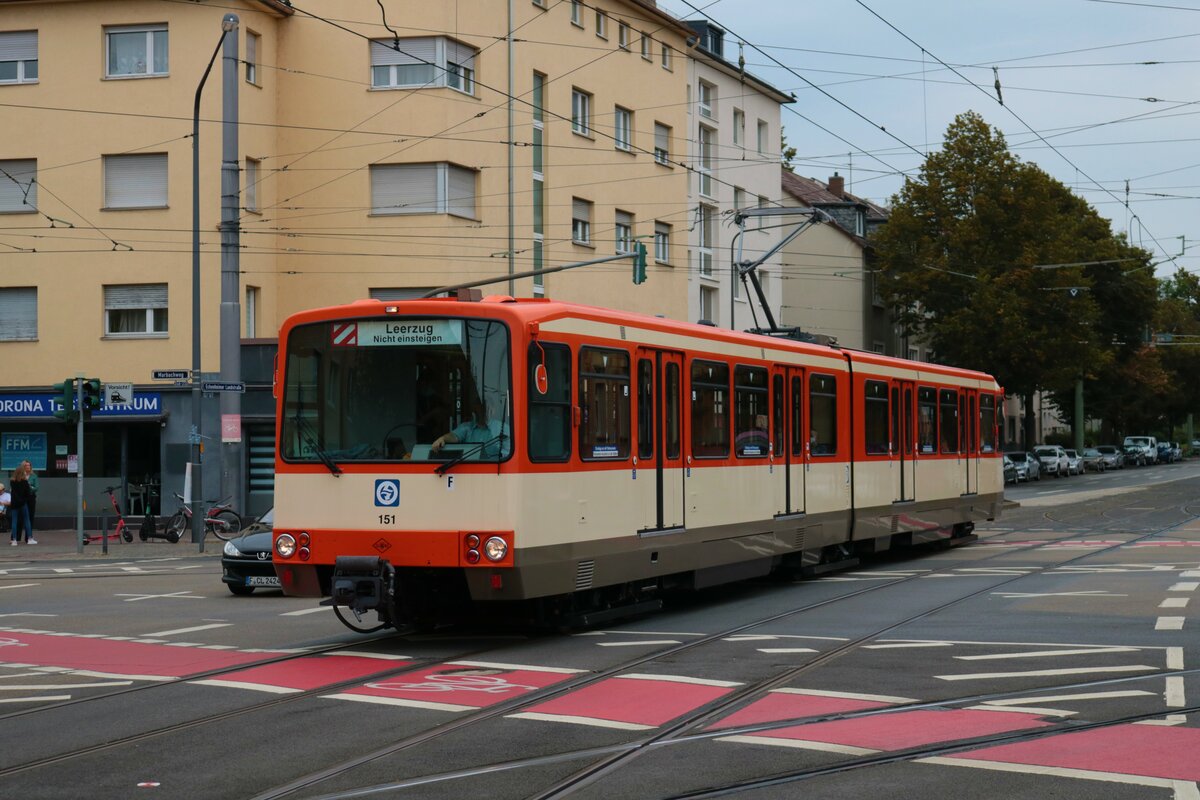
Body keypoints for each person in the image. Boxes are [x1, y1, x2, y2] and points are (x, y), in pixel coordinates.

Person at [430, 395, 509, 459]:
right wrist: (443, 438)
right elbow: (454, 436)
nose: (484, 410)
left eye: (486, 407)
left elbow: (508, 455)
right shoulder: (467, 427)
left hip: (494, 473)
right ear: (474, 409)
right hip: (469, 470)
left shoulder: (503, 428)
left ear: (493, 410)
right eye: (480, 406)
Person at [9, 463, 34, 546]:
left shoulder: (12, 482)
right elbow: (28, 493)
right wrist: (24, 499)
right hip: (23, 503)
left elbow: (12, 492)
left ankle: (14, 540)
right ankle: (30, 538)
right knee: (27, 520)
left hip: (14, 503)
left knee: (14, 521)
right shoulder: (25, 482)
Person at [21, 460, 37, 530]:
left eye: (29, 465)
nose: (28, 467)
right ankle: (17, 537)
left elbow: (36, 488)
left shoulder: (34, 476)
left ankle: (29, 537)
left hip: (31, 497)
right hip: (21, 497)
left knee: (30, 516)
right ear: (23, 467)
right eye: (26, 465)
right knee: (20, 516)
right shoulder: (20, 475)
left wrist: (29, 486)